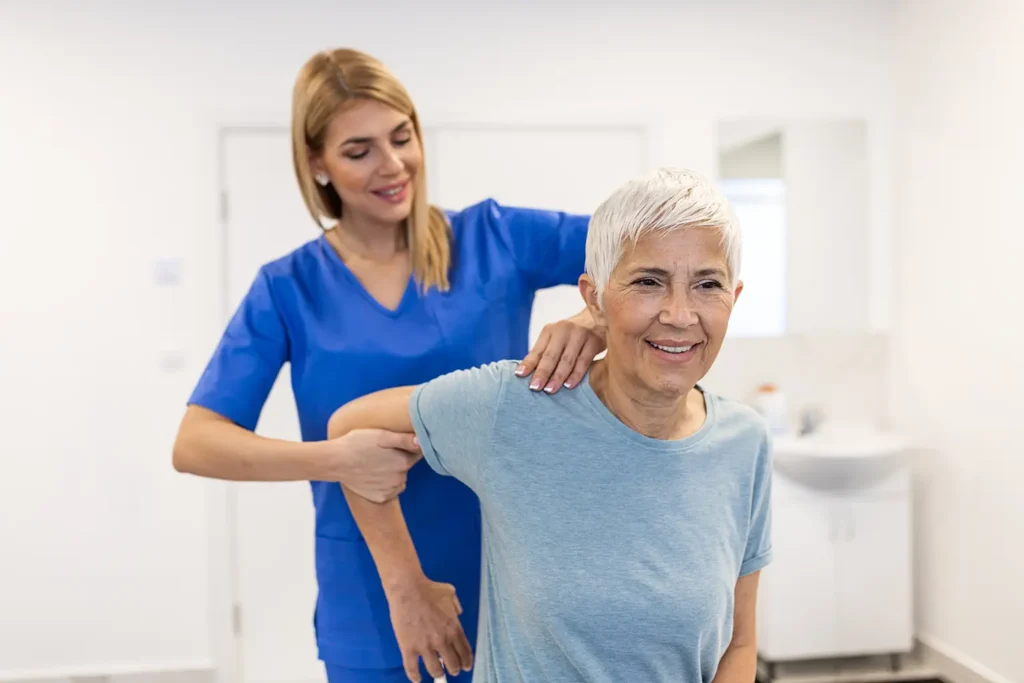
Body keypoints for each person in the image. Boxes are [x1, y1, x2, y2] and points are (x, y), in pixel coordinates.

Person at [171, 48, 606, 683]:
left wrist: (592, 320)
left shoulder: (496, 240)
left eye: (402, 137)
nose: (392, 164)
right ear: (316, 163)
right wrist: (334, 458)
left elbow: (650, 243)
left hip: (512, 568)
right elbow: (196, 443)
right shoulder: (289, 288)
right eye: (359, 151)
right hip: (374, 590)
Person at [327, 167, 773, 683]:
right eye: (648, 282)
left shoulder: (745, 442)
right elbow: (347, 428)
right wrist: (406, 588)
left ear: (733, 298)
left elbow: (738, 643)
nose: (679, 314)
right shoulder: (514, 407)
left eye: (707, 284)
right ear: (593, 297)